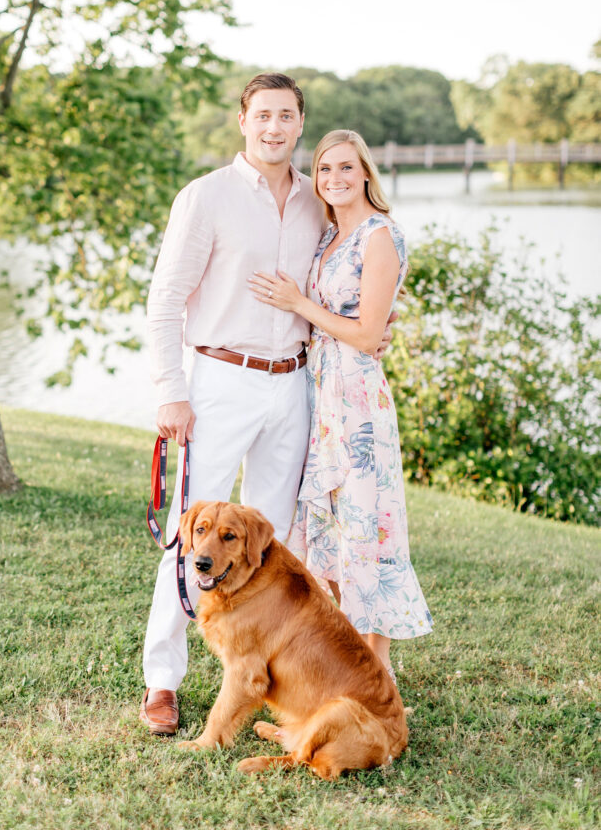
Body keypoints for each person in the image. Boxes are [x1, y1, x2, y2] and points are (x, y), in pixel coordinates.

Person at [140, 74, 396, 734]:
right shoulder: (206, 198)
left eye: (286, 116)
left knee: (265, 546)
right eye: (263, 116)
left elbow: (355, 270)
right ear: (242, 121)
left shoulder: (318, 202)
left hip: (294, 385)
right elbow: (165, 300)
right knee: (191, 532)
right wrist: (170, 390)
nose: (274, 127)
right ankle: (162, 681)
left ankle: (268, 676)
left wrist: (375, 327)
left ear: (300, 123)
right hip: (219, 380)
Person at [248, 129, 432, 682]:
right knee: (328, 530)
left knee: (366, 534)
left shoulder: (381, 235)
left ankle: (378, 677)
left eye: (347, 168)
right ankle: (339, 667)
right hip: (318, 395)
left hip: (357, 404)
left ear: (367, 173)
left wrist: (300, 302)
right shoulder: (329, 236)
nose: (335, 179)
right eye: (325, 170)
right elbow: (352, 323)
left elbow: (367, 330)